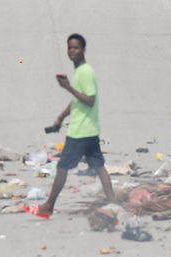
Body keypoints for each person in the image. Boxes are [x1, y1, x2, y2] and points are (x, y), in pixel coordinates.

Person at [30, 34, 115, 218]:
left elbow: (89, 100)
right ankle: (114, 205)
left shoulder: (85, 72)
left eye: (76, 48)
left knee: (63, 168)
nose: (72, 51)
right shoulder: (80, 71)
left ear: (84, 49)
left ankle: (48, 206)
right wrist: (61, 117)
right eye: (69, 48)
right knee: (99, 167)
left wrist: (68, 87)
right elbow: (77, 100)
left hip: (80, 132)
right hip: (89, 130)